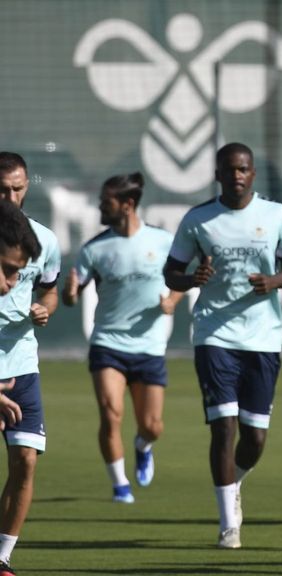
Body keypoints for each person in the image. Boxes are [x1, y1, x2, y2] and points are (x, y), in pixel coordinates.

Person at [163, 142, 282, 549]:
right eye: (230, 170)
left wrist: (273, 282)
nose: (237, 175)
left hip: (263, 336)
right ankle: (229, 525)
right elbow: (171, 272)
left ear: (253, 174)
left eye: (243, 169)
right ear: (218, 175)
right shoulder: (198, 219)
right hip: (214, 334)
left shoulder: (276, 215)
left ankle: (233, 482)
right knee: (223, 426)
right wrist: (192, 280)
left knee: (254, 438)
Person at [61, 172, 183, 505]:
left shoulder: (163, 241)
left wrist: (173, 300)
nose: (101, 207)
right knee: (111, 413)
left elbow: (182, 279)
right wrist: (69, 293)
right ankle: (120, 486)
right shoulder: (94, 249)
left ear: (127, 205)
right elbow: (72, 296)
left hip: (150, 347)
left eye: (106, 202)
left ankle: (143, 446)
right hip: (108, 344)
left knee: (153, 426)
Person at [0, 152, 61, 575]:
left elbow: (49, 290)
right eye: (2, 190)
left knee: (26, 460)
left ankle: (2, 556)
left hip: (20, 363)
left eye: (17, 189)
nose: (10, 197)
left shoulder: (43, 240)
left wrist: (44, 308)